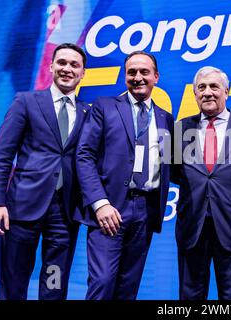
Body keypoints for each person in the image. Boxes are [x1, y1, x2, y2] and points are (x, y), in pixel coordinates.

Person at [0, 43, 88, 300]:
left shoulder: (88, 112)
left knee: (54, 279)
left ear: (83, 73)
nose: (67, 69)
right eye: (62, 63)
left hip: (64, 213)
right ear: (51, 66)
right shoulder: (26, 101)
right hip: (22, 208)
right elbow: (2, 154)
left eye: (74, 65)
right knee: (14, 280)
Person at [76, 51, 174, 300]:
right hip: (110, 208)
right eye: (132, 72)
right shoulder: (104, 106)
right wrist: (100, 204)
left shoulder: (165, 118)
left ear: (156, 77)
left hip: (145, 210)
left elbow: (169, 164)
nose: (138, 77)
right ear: (125, 76)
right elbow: (84, 156)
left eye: (144, 72)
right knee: (102, 282)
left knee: (128, 288)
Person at [172, 66, 231, 300]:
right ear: (195, 93)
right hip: (192, 226)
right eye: (202, 87)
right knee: (190, 297)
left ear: (226, 92)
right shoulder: (181, 128)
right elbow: (175, 173)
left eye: (214, 86)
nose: (208, 92)